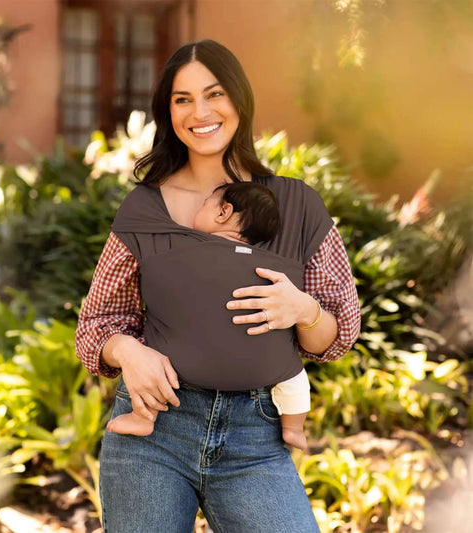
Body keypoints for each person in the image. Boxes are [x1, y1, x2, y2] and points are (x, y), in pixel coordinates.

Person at [76, 39, 361, 533]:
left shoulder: (296, 205)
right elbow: (97, 324)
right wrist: (129, 352)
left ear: (239, 100)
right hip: (153, 432)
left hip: (255, 439)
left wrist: (303, 310)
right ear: (168, 112)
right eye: (182, 99)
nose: (200, 112)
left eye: (214, 94)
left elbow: (337, 336)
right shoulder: (143, 209)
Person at [106, 181, 311, 450]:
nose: (196, 210)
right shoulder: (279, 267)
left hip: (181, 368)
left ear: (223, 212)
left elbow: (157, 277)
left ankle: (144, 417)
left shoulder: (185, 251)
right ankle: (294, 427)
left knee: (154, 370)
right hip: (270, 370)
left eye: (205, 204)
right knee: (295, 378)